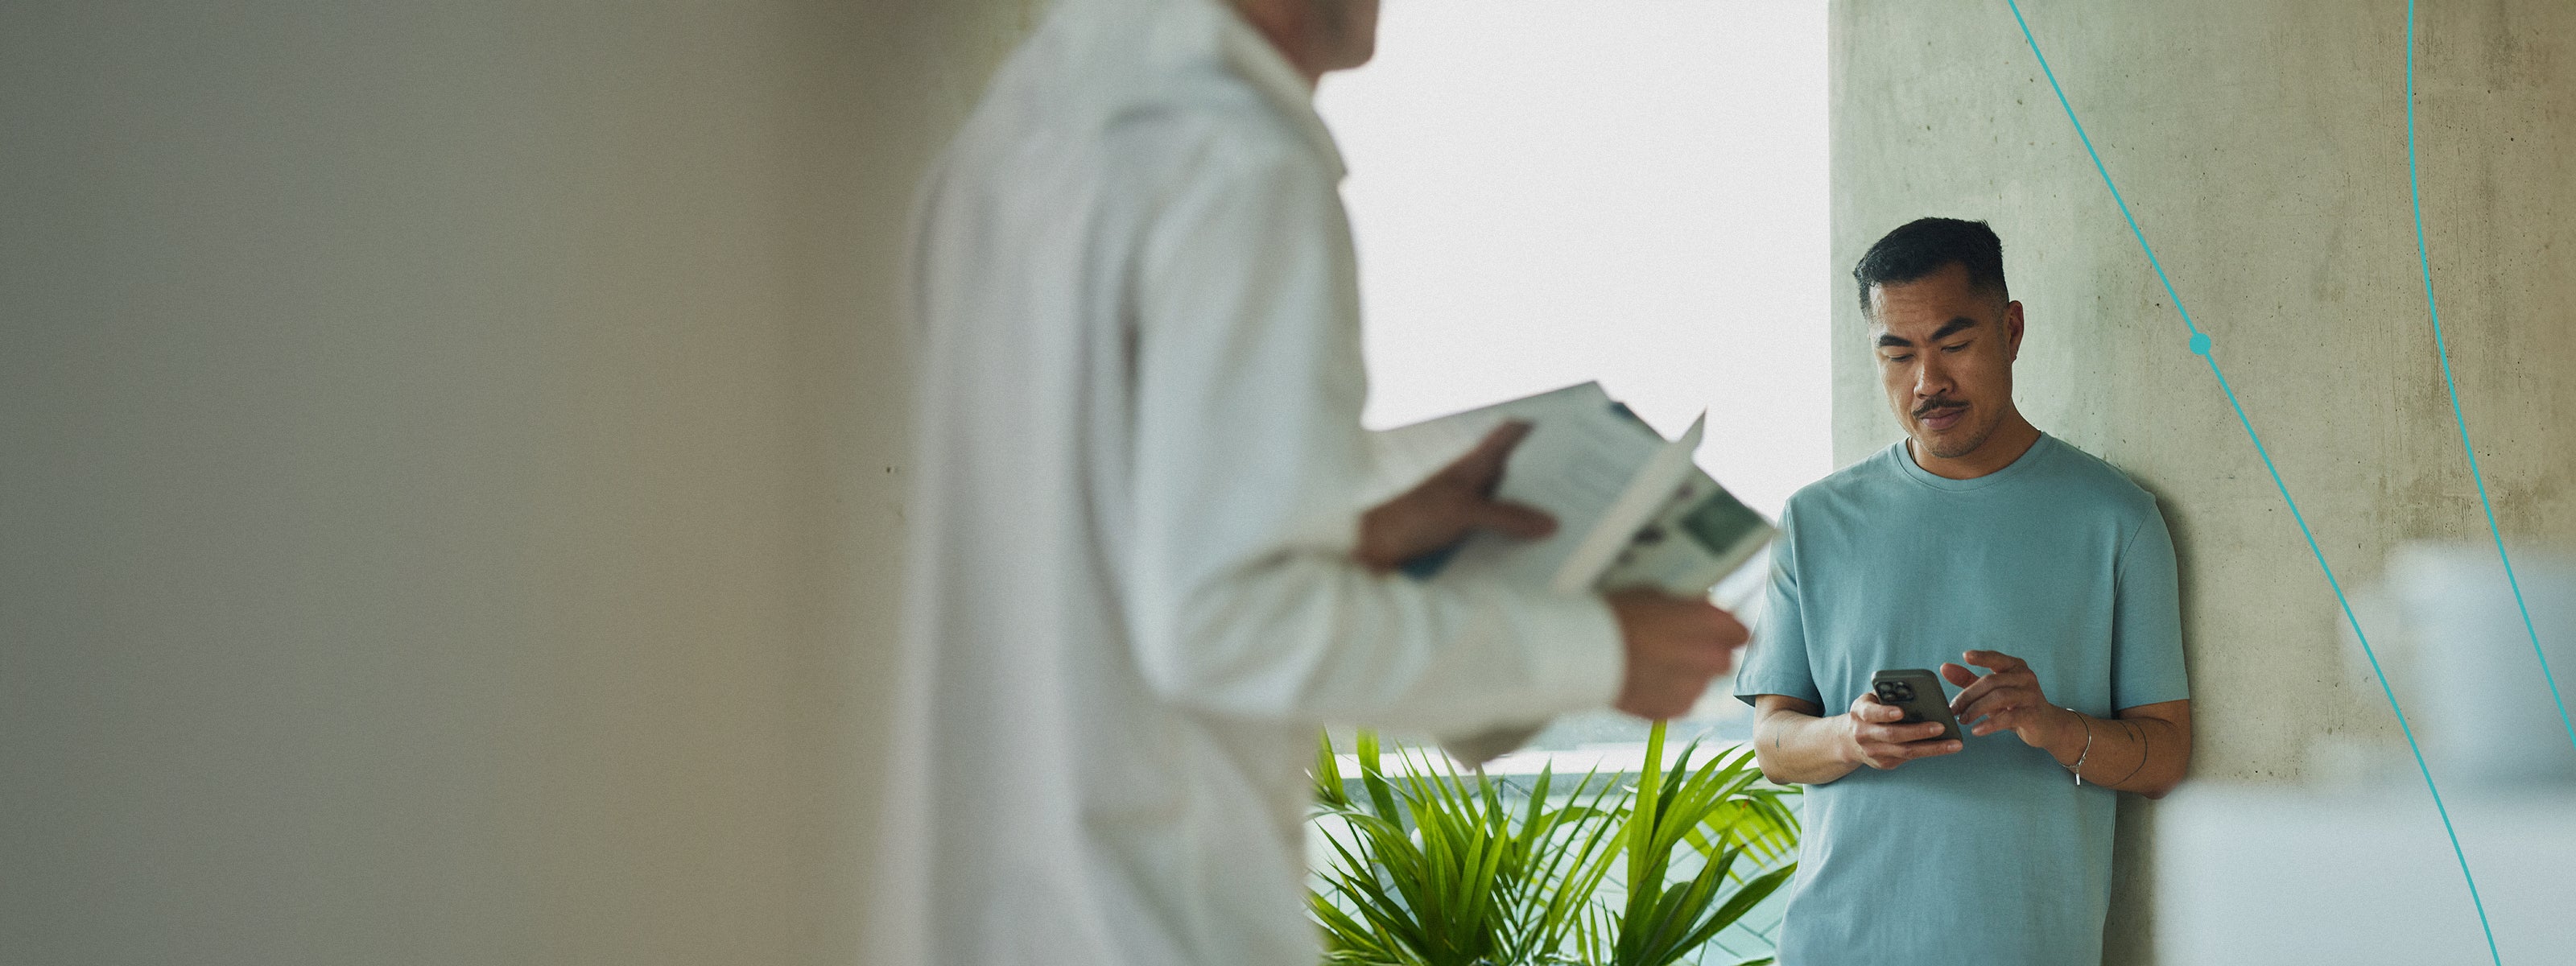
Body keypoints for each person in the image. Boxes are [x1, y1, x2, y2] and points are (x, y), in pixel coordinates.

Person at [869, 2, 1748, 964]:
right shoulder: (1238, 164)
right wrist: (1599, 651)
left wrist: (1355, 536)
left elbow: (1091, 558)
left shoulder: (1005, 147)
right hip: (1158, 922)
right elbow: (1223, 627)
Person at [1733, 217, 2194, 964]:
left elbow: (2166, 759)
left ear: (2011, 330)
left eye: (1954, 344)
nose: (1928, 382)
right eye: (1898, 353)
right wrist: (1851, 736)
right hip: (1835, 944)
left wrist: (2051, 725)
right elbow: (1775, 745)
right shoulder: (1814, 521)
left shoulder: (2118, 520)